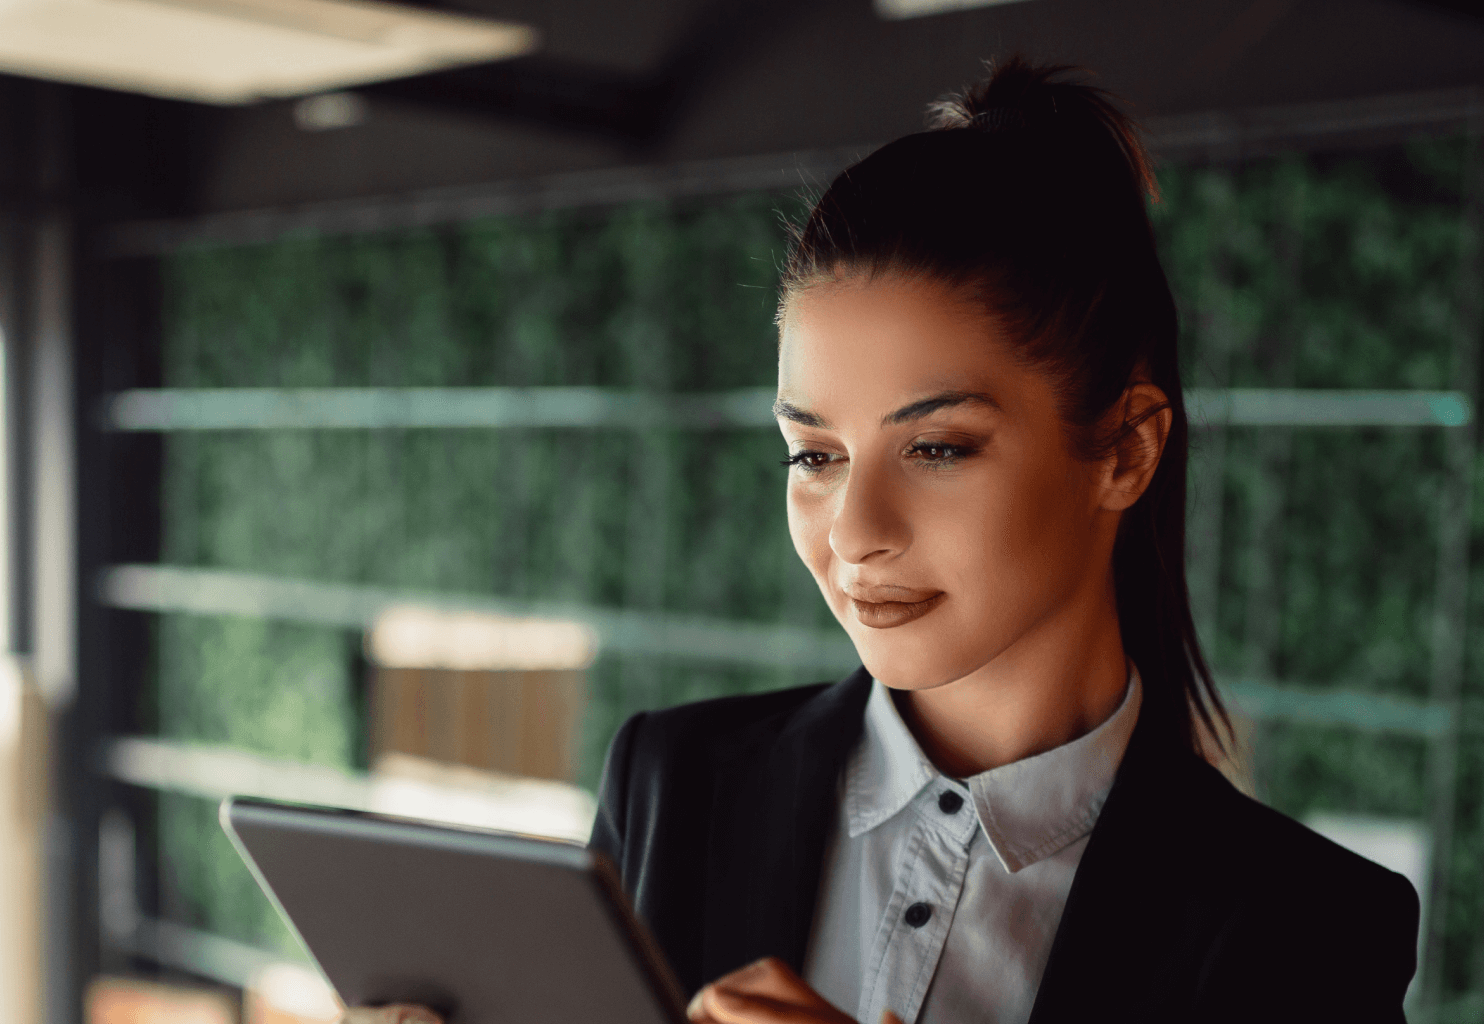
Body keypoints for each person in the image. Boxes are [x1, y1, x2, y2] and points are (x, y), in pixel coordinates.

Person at [349, 58, 1419, 1024]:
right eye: (814, 455)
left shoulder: (1307, 928)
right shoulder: (672, 779)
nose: (854, 532)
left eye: (938, 448)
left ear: (1125, 451)